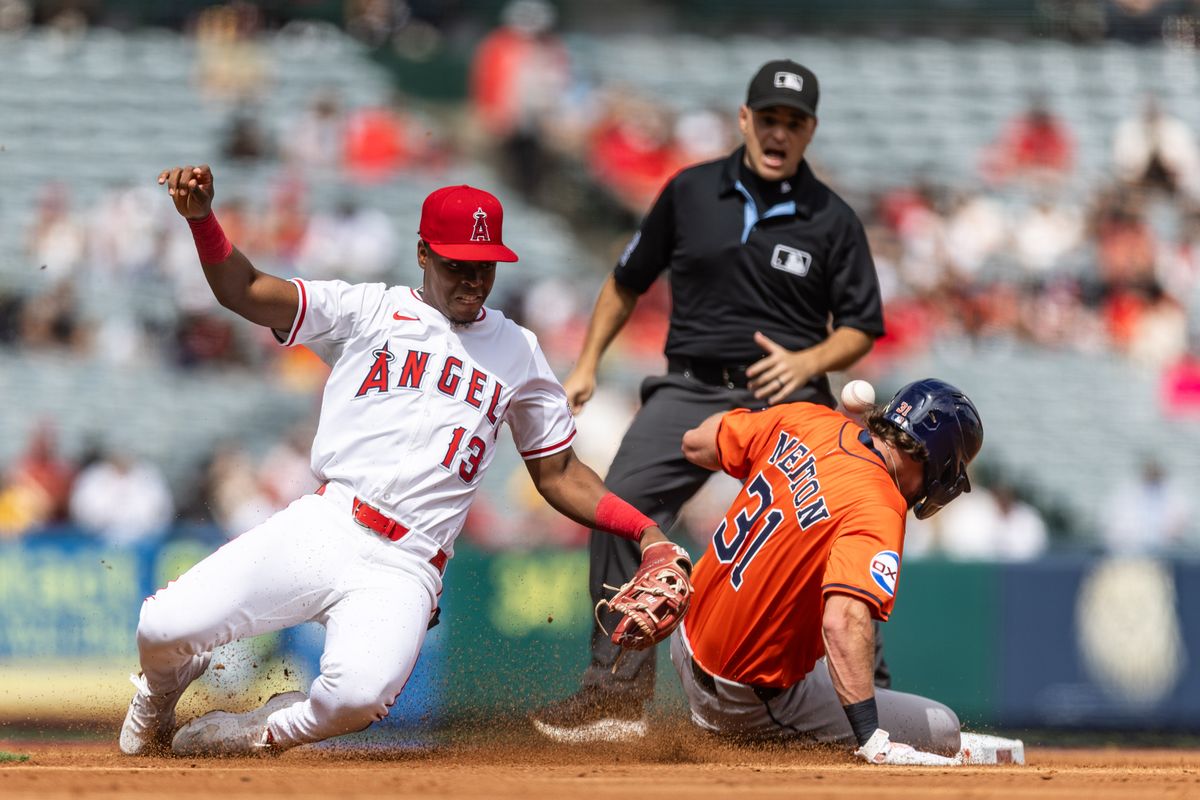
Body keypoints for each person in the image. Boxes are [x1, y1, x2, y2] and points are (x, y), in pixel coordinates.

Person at [119, 164, 691, 757]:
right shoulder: (366, 309)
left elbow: (560, 473)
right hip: (330, 523)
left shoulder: (519, 351)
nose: (472, 279)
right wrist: (203, 220)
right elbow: (246, 291)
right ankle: (157, 697)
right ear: (422, 252)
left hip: (408, 564)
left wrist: (645, 532)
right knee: (163, 628)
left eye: (484, 265)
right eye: (456, 264)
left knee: (355, 699)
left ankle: (259, 731)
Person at [531, 59, 886, 742]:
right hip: (690, 387)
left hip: (787, 396)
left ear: (810, 130)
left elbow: (862, 325)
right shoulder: (690, 192)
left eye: (795, 122)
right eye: (770, 118)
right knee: (619, 508)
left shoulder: (832, 218)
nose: (780, 133)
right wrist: (585, 364)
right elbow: (626, 281)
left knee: (830, 529)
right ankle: (615, 698)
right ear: (745, 119)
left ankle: (867, 702)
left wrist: (808, 360)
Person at [672, 379, 994, 764]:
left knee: (829, 651)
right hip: (744, 695)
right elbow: (841, 621)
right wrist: (871, 737)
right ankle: (771, 738)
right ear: (940, 461)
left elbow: (694, 442)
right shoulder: (880, 503)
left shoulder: (807, 419)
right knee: (943, 728)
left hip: (684, 638)